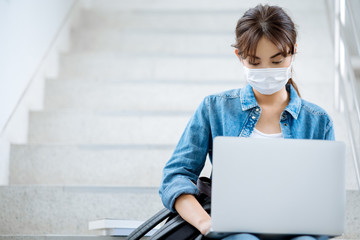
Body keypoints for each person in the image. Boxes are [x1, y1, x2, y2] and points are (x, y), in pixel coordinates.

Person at [158, 4, 334, 240]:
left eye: (276, 60)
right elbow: (176, 175)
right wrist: (205, 223)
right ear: (239, 57)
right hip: (234, 232)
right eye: (254, 61)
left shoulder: (318, 122)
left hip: (298, 232)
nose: (266, 70)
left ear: (293, 52)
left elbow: (327, 200)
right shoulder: (214, 108)